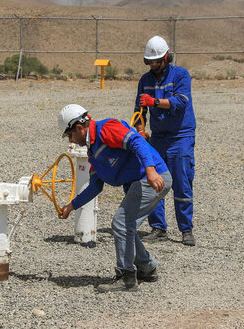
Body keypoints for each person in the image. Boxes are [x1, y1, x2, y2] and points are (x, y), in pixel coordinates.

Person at [57, 103, 172, 293]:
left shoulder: (105, 129)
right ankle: (147, 267)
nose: (70, 140)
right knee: (126, 227)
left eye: (69, 135)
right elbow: (95, 185)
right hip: (141, 181)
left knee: (121, 224)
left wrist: (151, 171)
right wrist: (71, 206)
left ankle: (126, 277)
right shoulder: (93, 151)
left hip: (152, 179)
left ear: (79, 128)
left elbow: (137, 141)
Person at [134, 36, 197, 246]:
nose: (153, 65)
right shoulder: (145, 81)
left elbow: (180, 101)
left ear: (167, 58)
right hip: (158, 138)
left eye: (157, 61)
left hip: (181, 137)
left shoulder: (181, 75)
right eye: (150, 62)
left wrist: (155, 102)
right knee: (155, 182)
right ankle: (158, 228)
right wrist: (141, 131)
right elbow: (139, 111)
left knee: (182, 183)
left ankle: (186, 230)